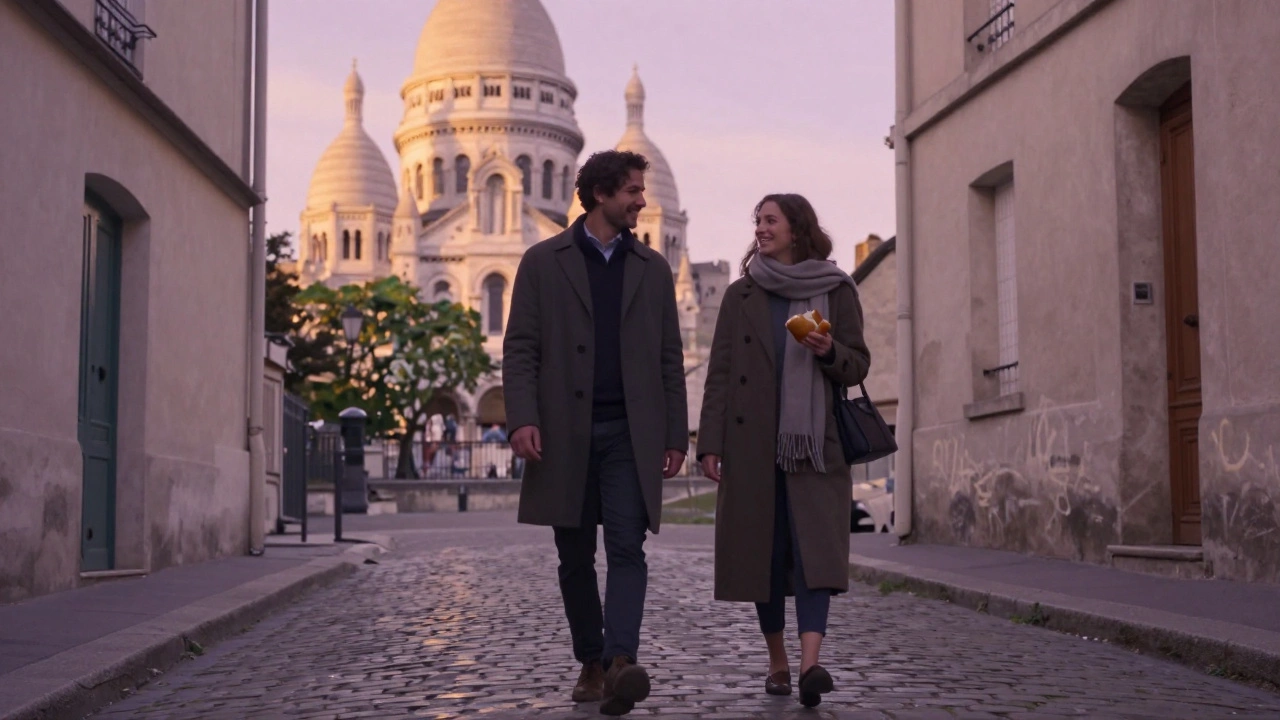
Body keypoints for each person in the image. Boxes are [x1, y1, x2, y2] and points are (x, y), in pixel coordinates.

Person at [503, 150, 688, 716]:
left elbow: (669, 357)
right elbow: (521, 348)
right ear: (601, 194)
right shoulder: (542, 261)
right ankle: (590, 660)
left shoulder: (653, 268)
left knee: (628, 547)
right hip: (564, 434)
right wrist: (522, 417)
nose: (642, 201)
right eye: (632, 191)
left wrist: (675, 434)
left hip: (630, 434)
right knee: (575, 555)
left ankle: (620, 660)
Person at [697, 194, 870, 708]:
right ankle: (778, 662)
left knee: (814, 552)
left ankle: (811, 664)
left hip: (814, 445)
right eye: (758, 221)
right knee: (764, 555)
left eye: (771, 220)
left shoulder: (835, 289)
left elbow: (859, 364)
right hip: (751, 445)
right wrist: (710, 443)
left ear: (797, 228)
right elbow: (720, 374)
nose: (761, 228)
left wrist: (830, 351)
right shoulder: (741, 294)